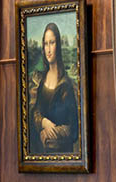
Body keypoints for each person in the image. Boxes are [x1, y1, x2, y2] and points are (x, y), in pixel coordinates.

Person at [29, 22, 80, 153]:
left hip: (63, 154)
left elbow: (74, 130)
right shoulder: (41, 81)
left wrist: (50, 134)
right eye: (46, 44)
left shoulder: (66, 85)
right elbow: (36, 112)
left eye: (52, 43)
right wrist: (43, 122)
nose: (49, 49)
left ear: (58, 45)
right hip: (41, 154)